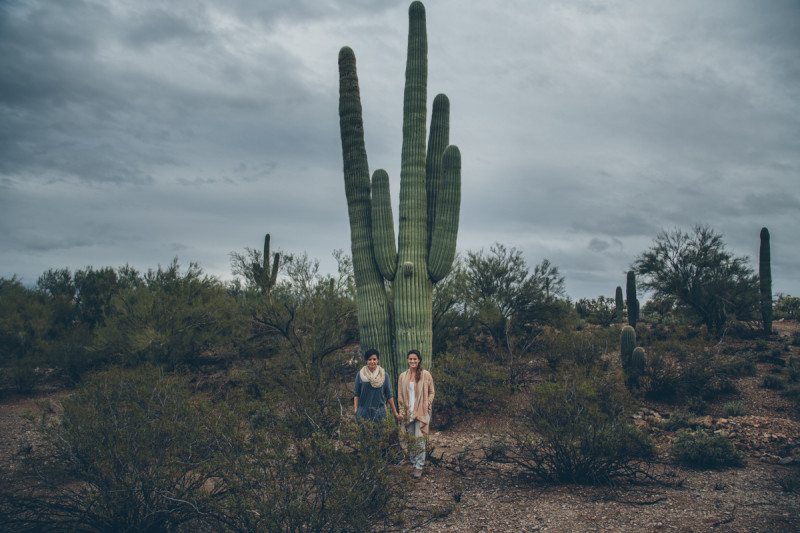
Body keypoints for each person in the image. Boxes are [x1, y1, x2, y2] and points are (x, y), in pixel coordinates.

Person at [397, 349, 435, 478]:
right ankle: (413, 463)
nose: (413, 361)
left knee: (419, 440)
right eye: (410, 359)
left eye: (415, 359)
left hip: (422, 412)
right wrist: (402, 411)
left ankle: (419, 466)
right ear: (407, 360)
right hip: (409, 412)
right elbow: (400, 396)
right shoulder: (403, 376)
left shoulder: (426, 375)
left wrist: (428, 403)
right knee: (411, 439)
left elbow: (432, 392)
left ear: (419, 360)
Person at [353, 348, 399, 423]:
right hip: (363, 413)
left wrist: (395, 413)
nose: (372, 361)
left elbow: (389, 395)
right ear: (366, 361)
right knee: (364, 434)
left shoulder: (384, 375)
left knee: (380, 434)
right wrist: (356, 410)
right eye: (369, 359)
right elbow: (356, 394)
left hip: (379, 413)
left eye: (374, 359)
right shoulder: (360, 375)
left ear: (378, 360)